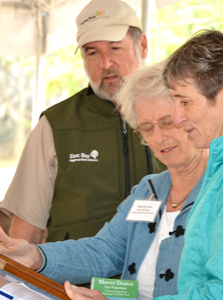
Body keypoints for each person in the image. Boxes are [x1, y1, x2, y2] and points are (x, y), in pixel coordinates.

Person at [0, 62, 209, 299]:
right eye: (147, 128)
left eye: (167, 122)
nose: (159, 137)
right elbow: (104, 251)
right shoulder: (148, 189)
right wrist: (35, 256)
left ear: (191, 116)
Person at [0, 0, 165, 244]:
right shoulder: (55, 125)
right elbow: (27, 229)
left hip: (162, 276)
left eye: (115, 49)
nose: (105, 63)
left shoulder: (178, 112)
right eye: (92, 52)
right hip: (74, 279)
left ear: (142, 45)